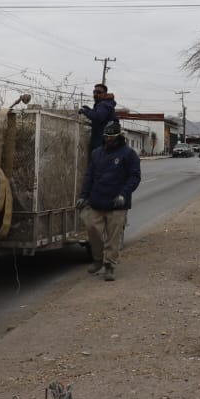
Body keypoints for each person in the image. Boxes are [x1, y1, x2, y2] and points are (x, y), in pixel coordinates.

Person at [78, 120, 141, 281]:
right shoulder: (97, 153)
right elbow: (89, 176)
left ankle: (109, 266)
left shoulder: (129, 154)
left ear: (119, 136)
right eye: (106, 136)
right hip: (97, 200)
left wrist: (124, 194)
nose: (109, 139)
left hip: (117, 204)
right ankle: (98, 259)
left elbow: (134, 177)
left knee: (114, 237)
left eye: (112, 136)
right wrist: (84, 196)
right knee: (92, 229)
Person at [79, 83, 118, 153]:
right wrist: (89, 110)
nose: (95, 94)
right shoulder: (104, 105)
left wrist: (85, 111)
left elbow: (98, 116)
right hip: (103, 144)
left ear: (105, 94)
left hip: (101, 144)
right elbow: (99, 117)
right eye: (94, 92)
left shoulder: (104, 104)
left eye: (99, 92)